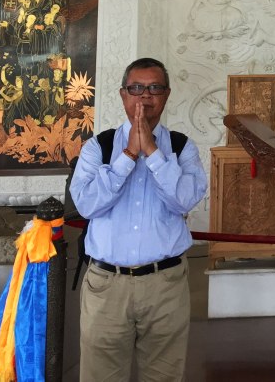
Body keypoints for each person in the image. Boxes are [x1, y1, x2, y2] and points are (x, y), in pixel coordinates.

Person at [69, 58, 208, 382]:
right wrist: (128, 156)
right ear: (123, 94)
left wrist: (154, 154)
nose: (145, 96)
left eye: (154, 88)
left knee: (163, 376)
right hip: (106, 285)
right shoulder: (98, 147)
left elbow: (184, 200)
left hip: (165, 284)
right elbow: (87, 205)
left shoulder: (181, 147)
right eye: (136, 88)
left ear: (167, 94)